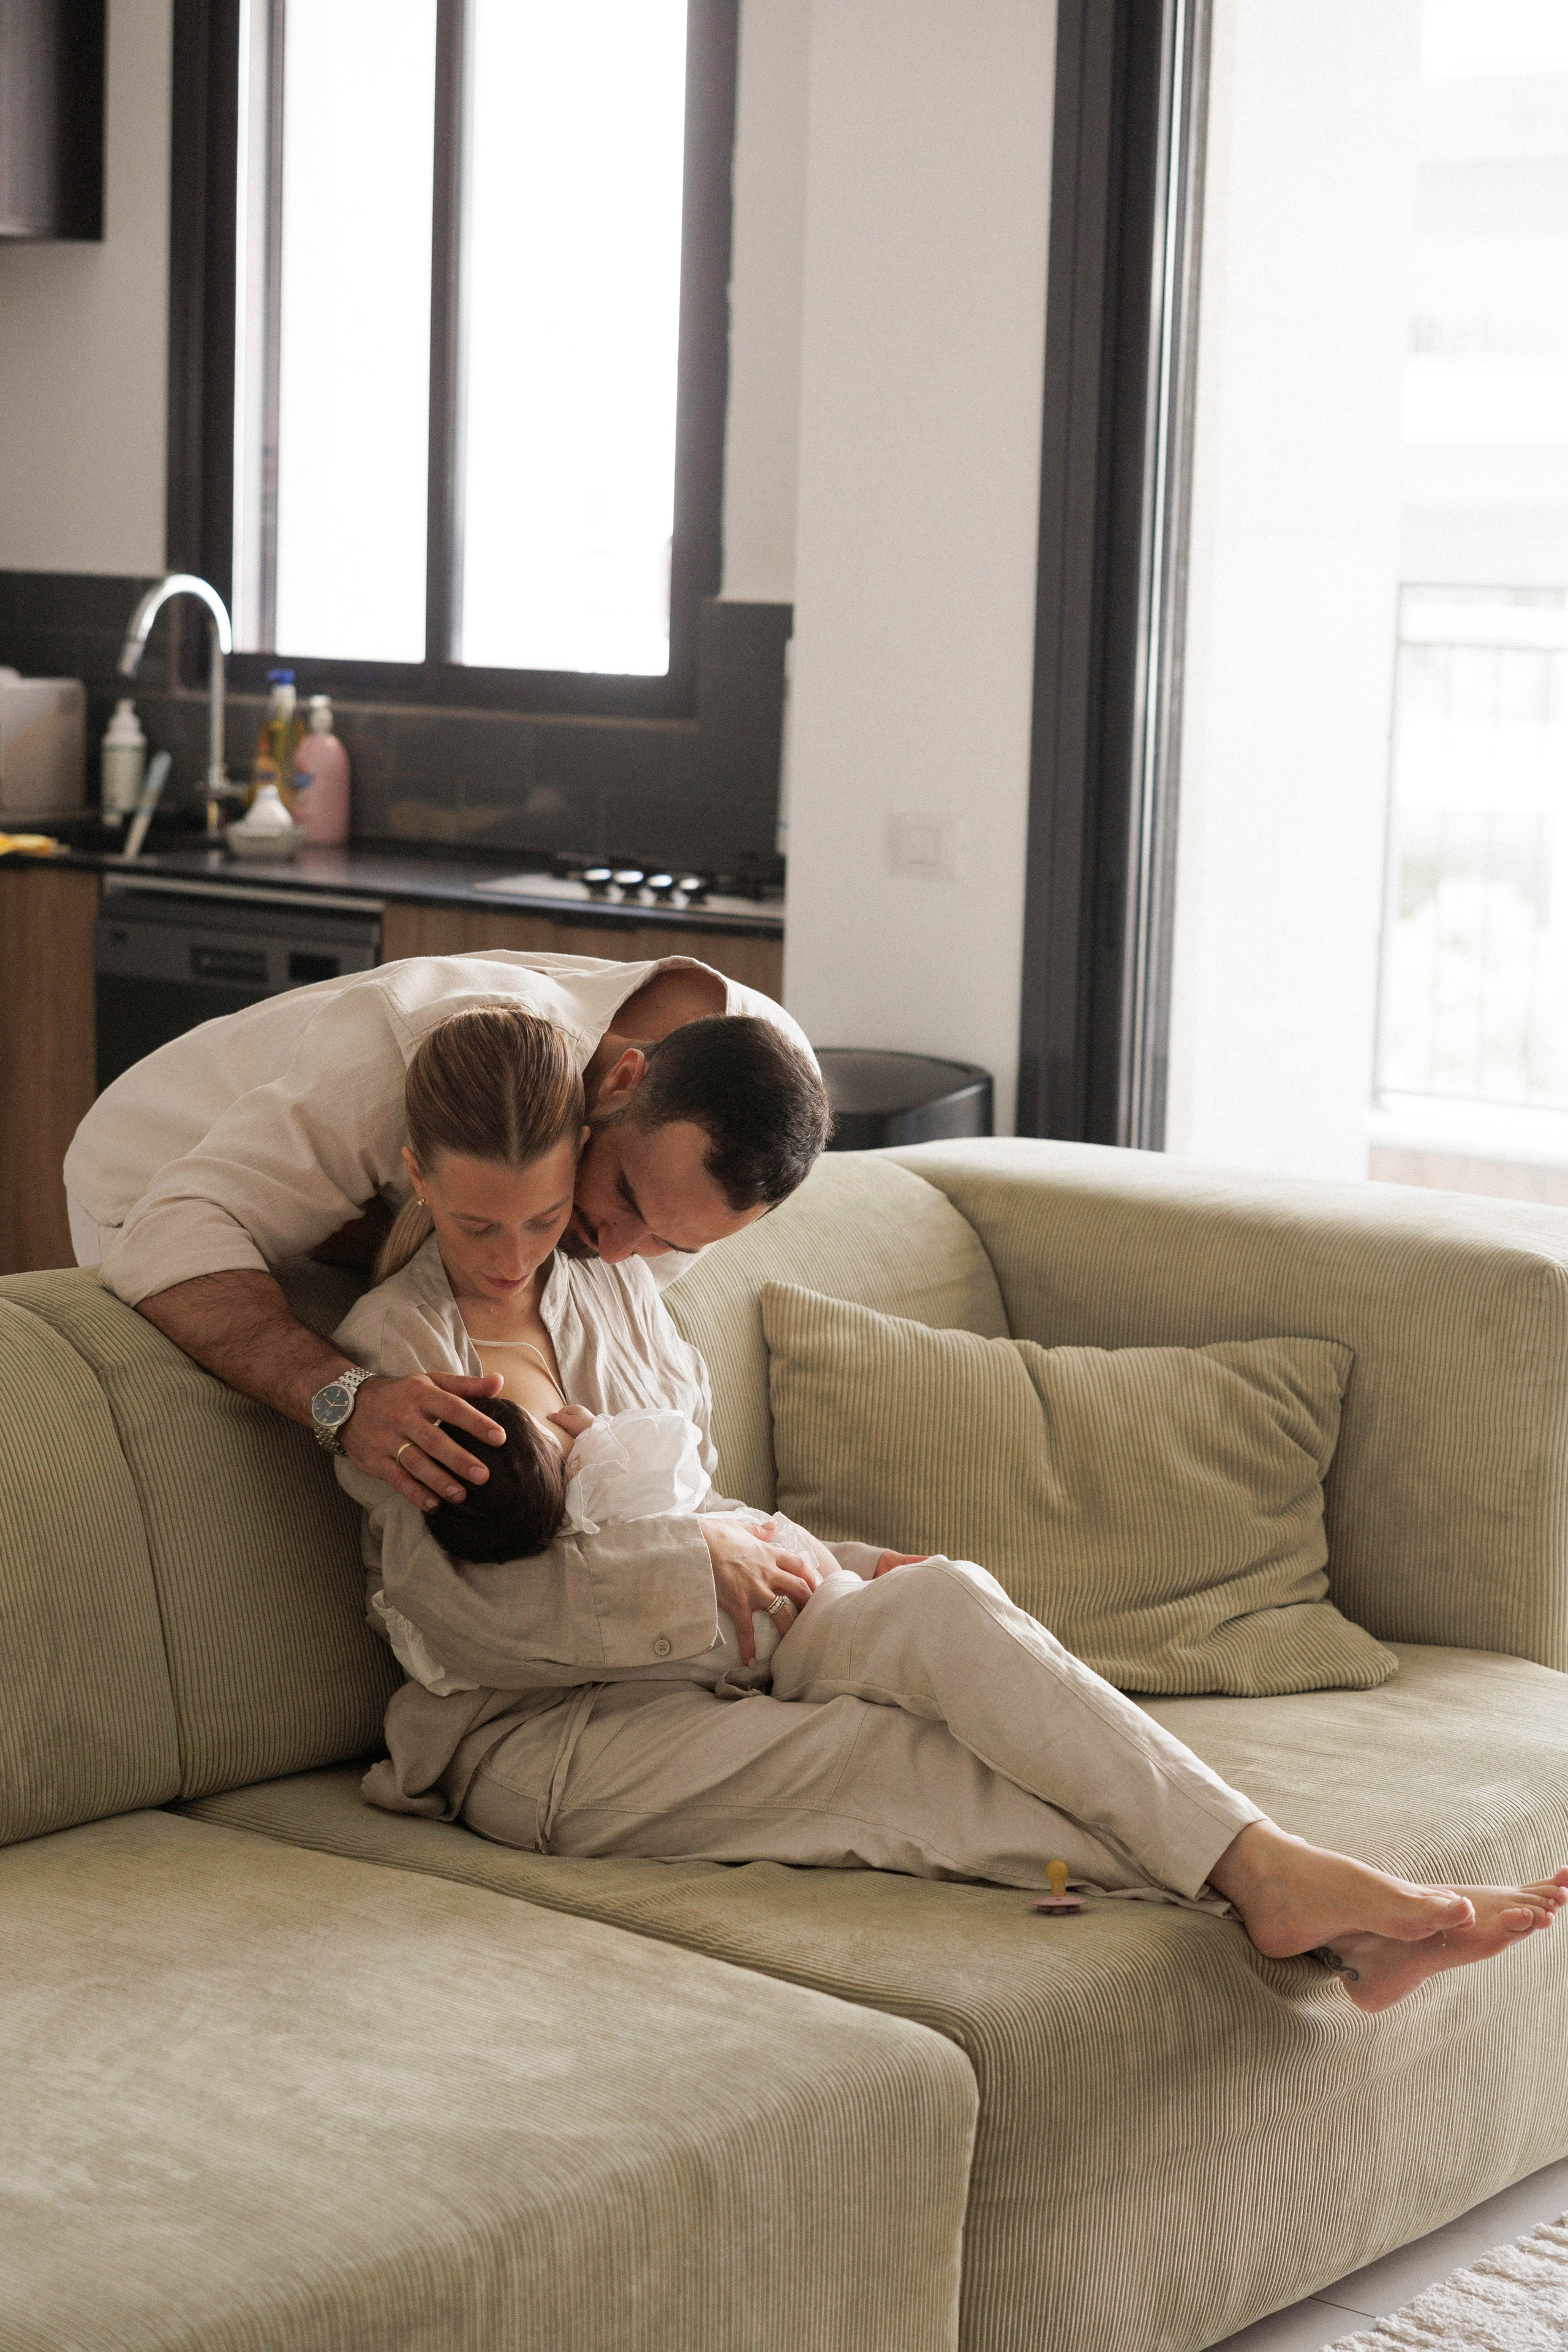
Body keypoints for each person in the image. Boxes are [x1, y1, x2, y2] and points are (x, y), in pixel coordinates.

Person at [334, 1006, 1568, 2018]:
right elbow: (457, 1622)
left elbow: (689, 1502)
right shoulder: (406, 1357)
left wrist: (840, 1563)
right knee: (898, 1769)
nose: (533, 1252)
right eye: (487, 1224)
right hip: (552, 1736)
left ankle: (1280, 1883)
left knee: (944, 1598)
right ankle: (1290, 1899)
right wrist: (691, 1556)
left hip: (719, 1637)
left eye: (549, 1217)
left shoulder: (614, 1289)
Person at [63, 946, 829, 1540]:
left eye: (669, 1241)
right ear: (622, 1080)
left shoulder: (765, 1093)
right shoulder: (393, 1060)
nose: (622, 1251)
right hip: (160, 1172)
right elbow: (176, 1229)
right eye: (624, 1197)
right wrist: (344, 1399)